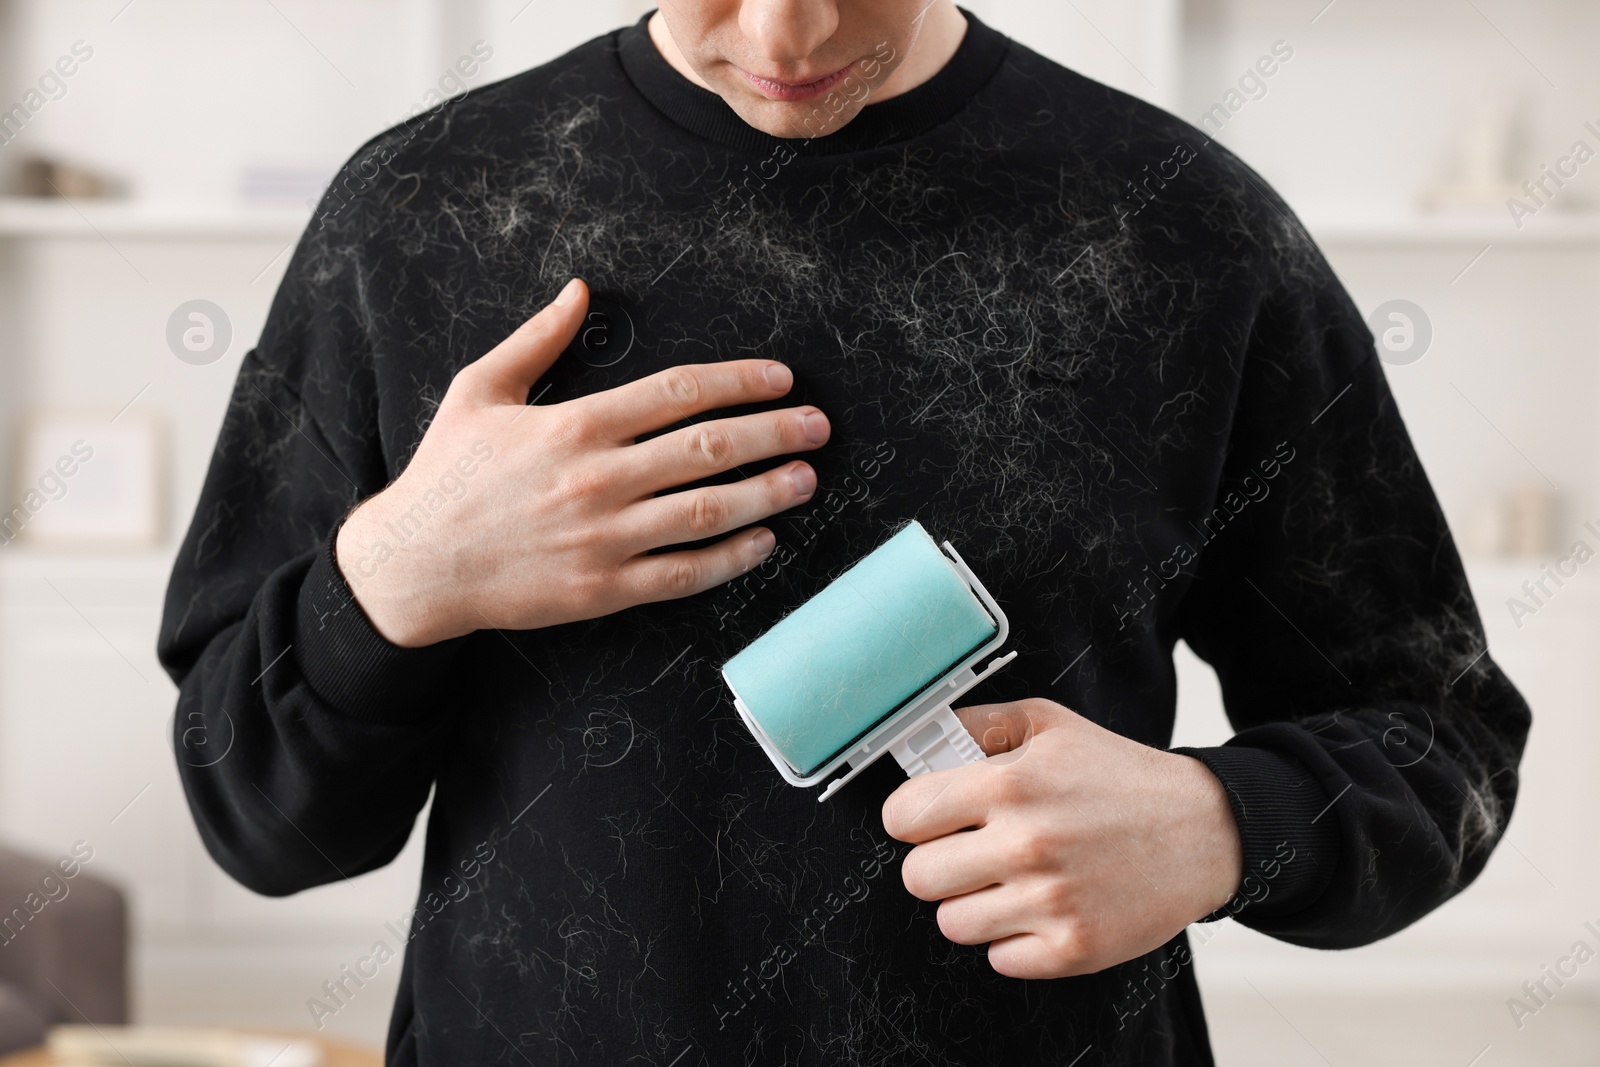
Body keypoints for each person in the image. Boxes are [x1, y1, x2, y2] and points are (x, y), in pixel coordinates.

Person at [157, 1, 1531, 1064]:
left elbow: (1439, 736)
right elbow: (258, 818)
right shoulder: (418, 215)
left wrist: (1222, 826)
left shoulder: (1188, 231)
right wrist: (404, 573)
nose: (787, 35)